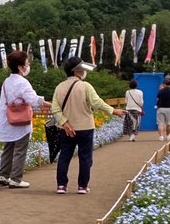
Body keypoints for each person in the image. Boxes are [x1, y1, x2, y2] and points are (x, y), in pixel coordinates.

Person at [50, 56, 124, 195]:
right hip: (85, 127)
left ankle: (61, 185)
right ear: (77, 71)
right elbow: (97, 103)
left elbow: (55, 108)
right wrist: (113, 111)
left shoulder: (59, 87)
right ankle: (82, 186)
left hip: (65, 128)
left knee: (64, 156)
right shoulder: (85, 86)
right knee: (85, 157)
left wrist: (64, 122)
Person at [0, 49, 45, 189]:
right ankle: (16, 179)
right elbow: (34, 100)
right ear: (20, 66)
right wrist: (52, 104)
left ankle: (4, 175)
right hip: (21, 121)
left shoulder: (6, 81)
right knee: (20, 150)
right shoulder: (23, 82)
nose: (28, 66)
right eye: (26, 63)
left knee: (8, 148)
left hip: (8, 119)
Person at [156, 74, 170, 141]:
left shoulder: (161, 91)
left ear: (164, 83)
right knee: (169, 123)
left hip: (161, 108)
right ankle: (168, 136)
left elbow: (157, 99)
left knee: (160, 123)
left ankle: (161, 137)